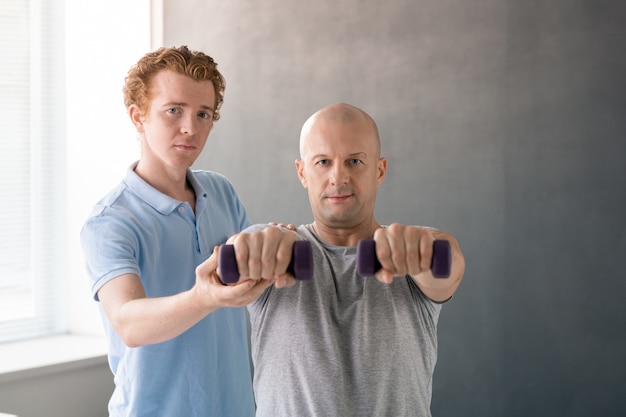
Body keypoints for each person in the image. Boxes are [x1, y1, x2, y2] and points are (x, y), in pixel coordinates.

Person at [222, 103, 466, 417]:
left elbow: (449, 262)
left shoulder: (411, 255)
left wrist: (427, 248)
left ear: (379, 171)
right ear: (302, 172)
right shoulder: (275, 249)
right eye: (323, 162)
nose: (339, 176)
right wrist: (254, 248)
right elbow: (236, 259)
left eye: (354, 161)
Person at [80, 46, 272, 417]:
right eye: (174, 111)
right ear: (138, 117)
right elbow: (129, 323)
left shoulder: (221, 193)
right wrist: (204, 297)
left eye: (203, 114)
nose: (191, 128)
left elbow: (251, 278)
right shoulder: (109, 220)